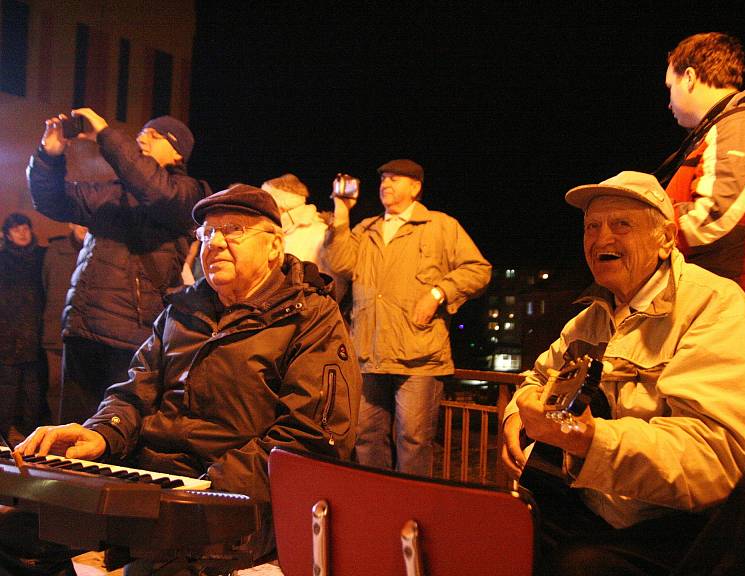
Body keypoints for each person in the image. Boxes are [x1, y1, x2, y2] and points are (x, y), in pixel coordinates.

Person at [4, 184, 361, 573]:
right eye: (206, 233)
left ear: (275, 246)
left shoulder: (310, 317)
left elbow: (309, 439)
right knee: (13, 535)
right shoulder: (182, 309)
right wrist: (103, 433)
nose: (215, 242)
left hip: (235, 506)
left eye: (234, 230)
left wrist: (204, 490)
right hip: (150, 485)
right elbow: (134, 392)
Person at [501, 171, 745, 576]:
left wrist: (590, 441)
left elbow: (714, 457)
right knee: (492, 537)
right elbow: (537, 377)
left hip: (688, 529)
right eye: (592, 227)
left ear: (665, 238)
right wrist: (515, 414)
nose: (602, 239)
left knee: (577, 568)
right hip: (598, 509)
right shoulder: (589, 320)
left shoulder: (714, 306)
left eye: (622, 225)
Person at [27, 108, 212, 425]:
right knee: (70, 433)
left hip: (132, 337)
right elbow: (52, 200)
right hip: (83, 329)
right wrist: (49, 155)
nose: (143, 137)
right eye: (142, 132)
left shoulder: (190, 194)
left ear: (178, 150)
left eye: (155, 135)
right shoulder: (114, 192)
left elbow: (155, 190)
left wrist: (105, 134)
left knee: (117, 436)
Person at [323, 158, 491, 476]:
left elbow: (479, 270)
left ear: (415, 187)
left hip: (420, 356)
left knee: (413, 441)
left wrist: (438, 293)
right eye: (383, 178)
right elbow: (340, 263)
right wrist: (342, 211)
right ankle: (378, 509)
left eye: (395, 179)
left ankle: (412, 515)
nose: (386, 184)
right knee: (366, 438)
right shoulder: (366, 228)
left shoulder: (441, 226)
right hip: (369, 354)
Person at [656, 32, 745, 335]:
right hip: (706, 314)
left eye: (670, 87)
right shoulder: (723, 129)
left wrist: (642, 226)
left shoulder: (743, 126)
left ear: (689, 77)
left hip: (728, 321)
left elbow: (713, 220)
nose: (669, 102)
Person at [262, 173, 348, 301]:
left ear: (281, 206)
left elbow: (335, 287)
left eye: (266, 204)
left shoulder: (320, 234)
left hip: (307, 317)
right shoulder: (276, 234)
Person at [0, 213, 46, 444]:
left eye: (25, 227)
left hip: (36, 334)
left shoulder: (42, 257)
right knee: (7, 389)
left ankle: (31, 437)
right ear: (7, 234)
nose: (22, 232)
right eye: (16, 229)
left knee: (33, 390)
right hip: (7, 335)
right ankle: (3, 436)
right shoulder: (2, 260)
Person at [40, 223, 88, 425]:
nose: (83, 227)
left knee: (81, 390)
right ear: (70, 223)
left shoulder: (100, 252)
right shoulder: (55, 251)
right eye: (79, 223)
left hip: (86, 334)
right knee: (55, 387)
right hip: (56, 332)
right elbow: (45, 284)